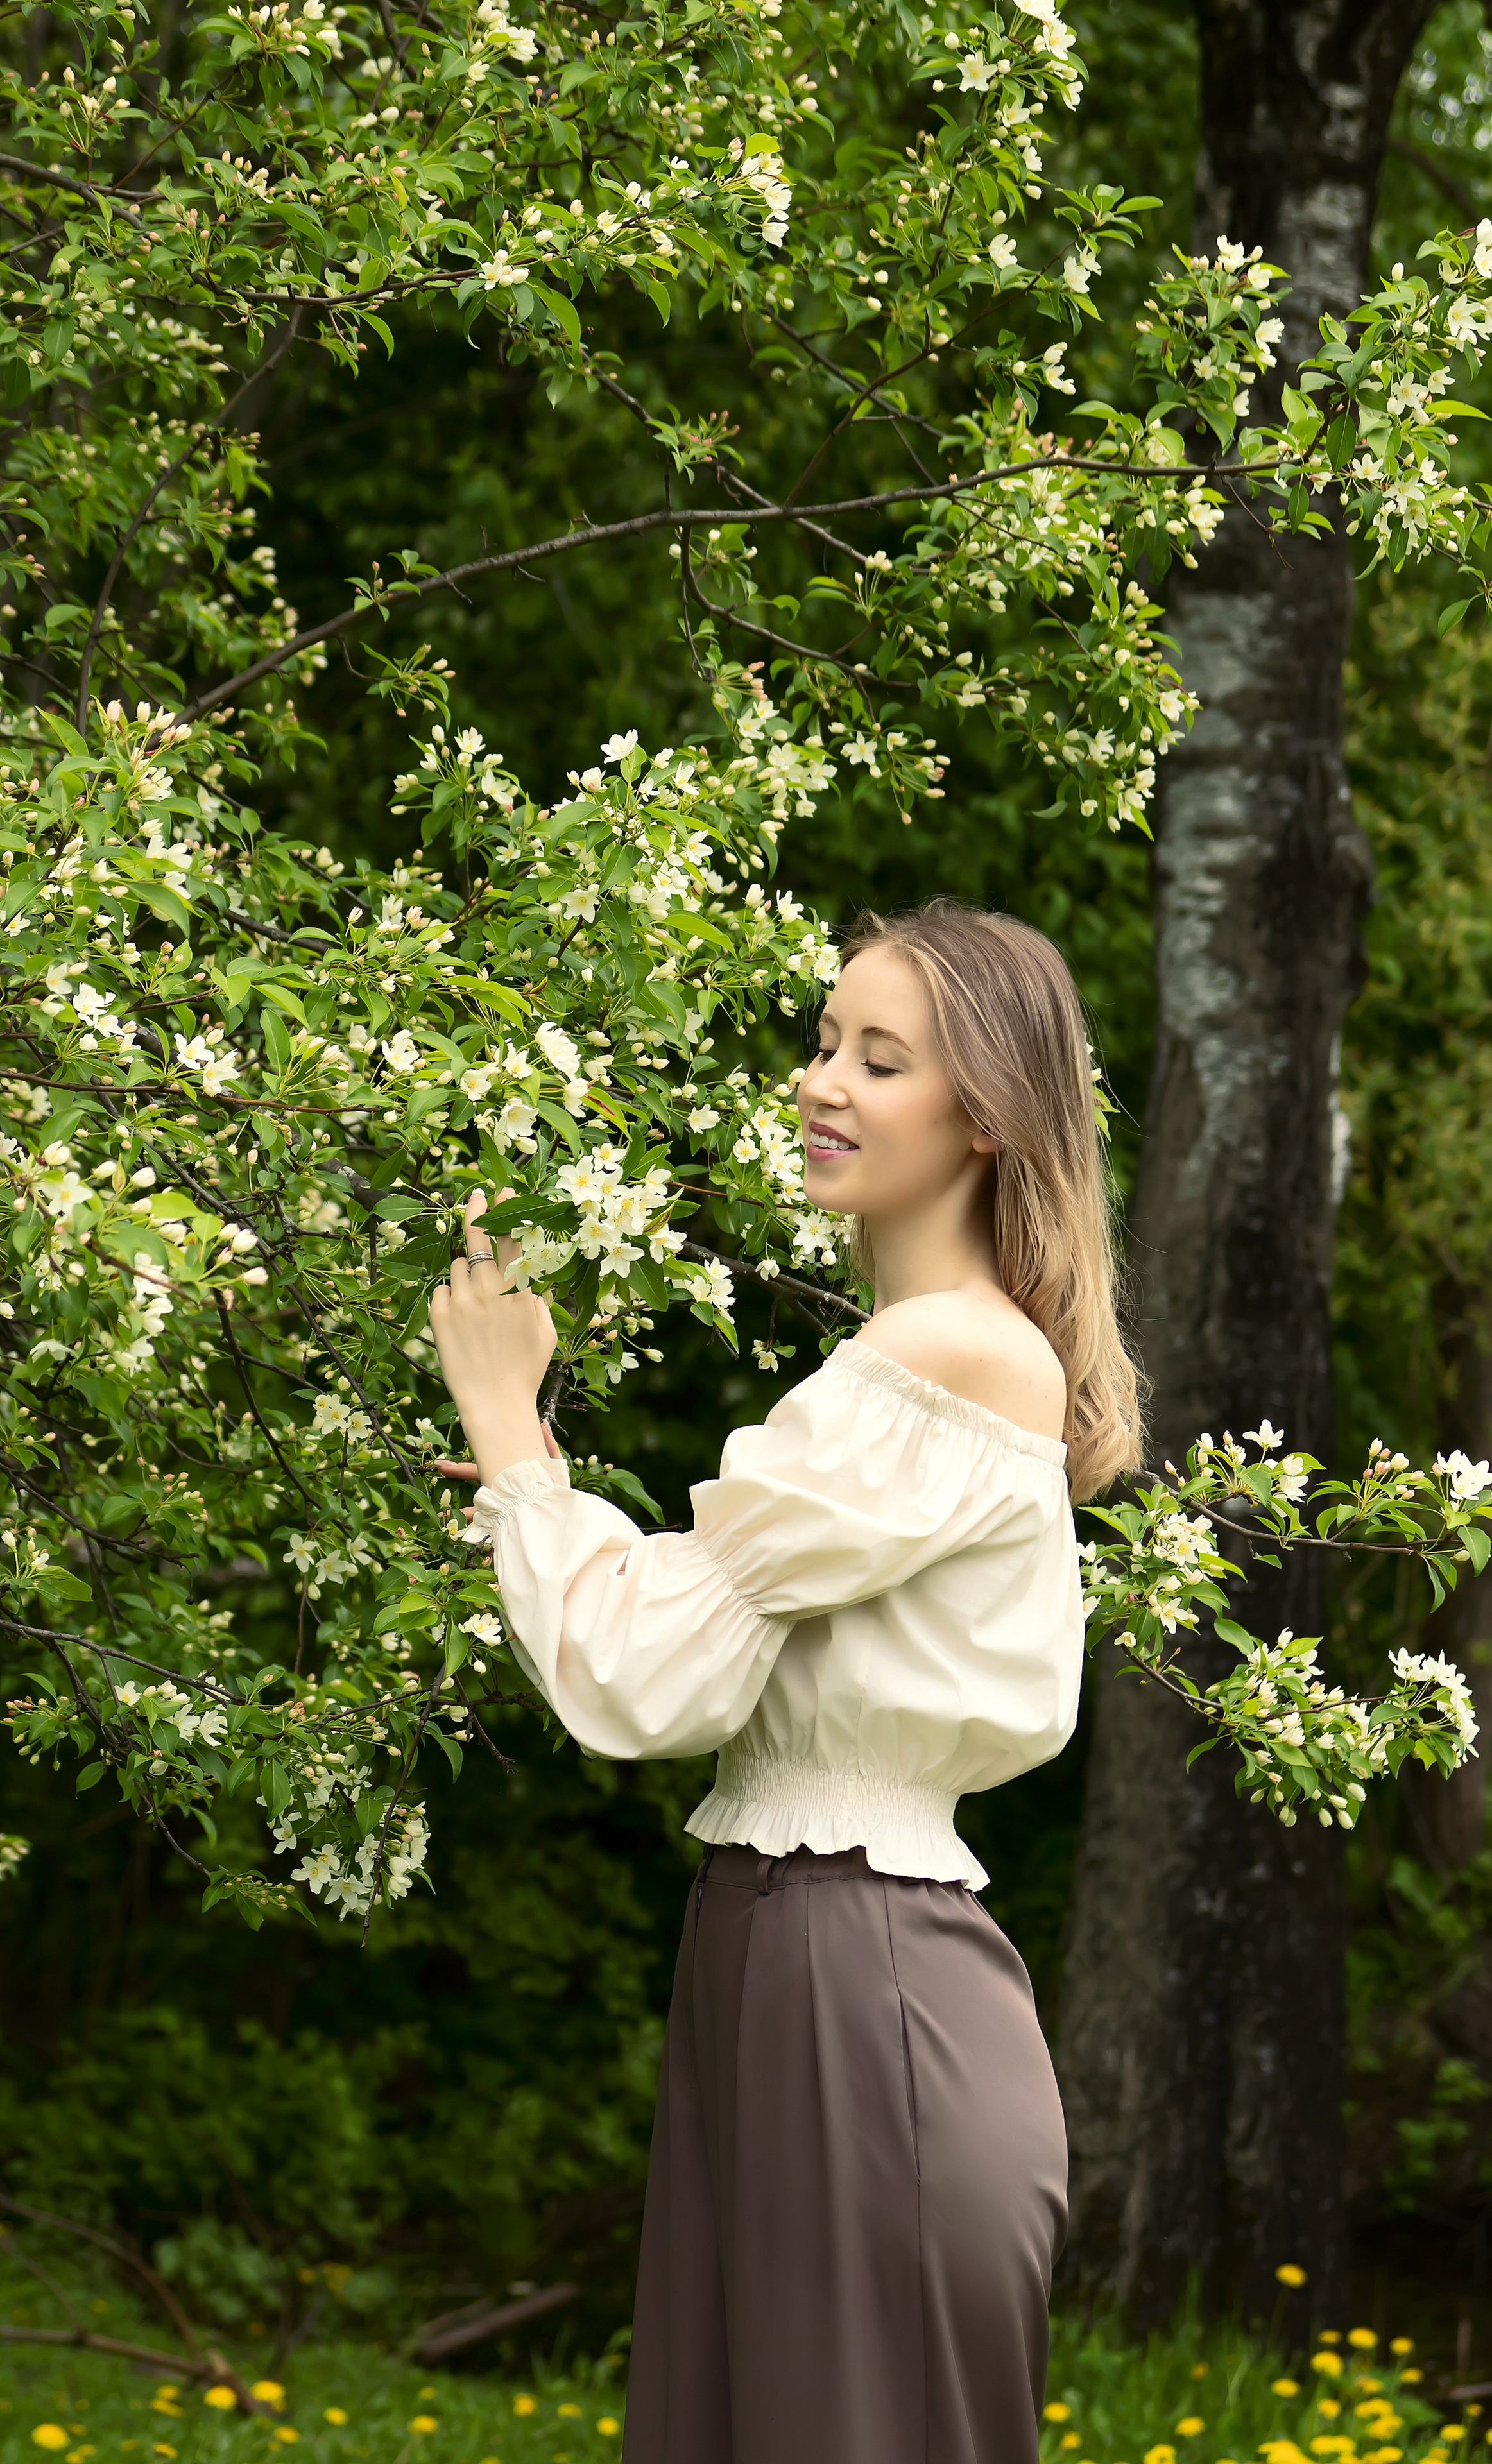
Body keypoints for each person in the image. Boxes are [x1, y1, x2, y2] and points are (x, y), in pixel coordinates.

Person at [429, 898, 1142, 2464]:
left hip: (858, 1976)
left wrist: (506, 1427)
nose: (823, 1081)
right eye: (823, 1040)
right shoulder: (902, 1353)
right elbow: (680, 1641)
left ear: (984, 1119)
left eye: (879, 1058)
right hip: (789, 1951)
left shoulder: (947, 1358)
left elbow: (640, 1671)